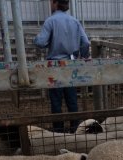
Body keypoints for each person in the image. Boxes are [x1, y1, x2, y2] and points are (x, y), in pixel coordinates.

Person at [34, 0, 91, 133]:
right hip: (70, 66)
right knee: (72, 100)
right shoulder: (75, 21)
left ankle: (58, 133)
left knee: (56, 101)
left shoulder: (50, 21)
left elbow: (41, 42)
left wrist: (35, 39)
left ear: (55, 3)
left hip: (55, 66)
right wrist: (81, 56)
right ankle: (75, 130)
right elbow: (86, 43)